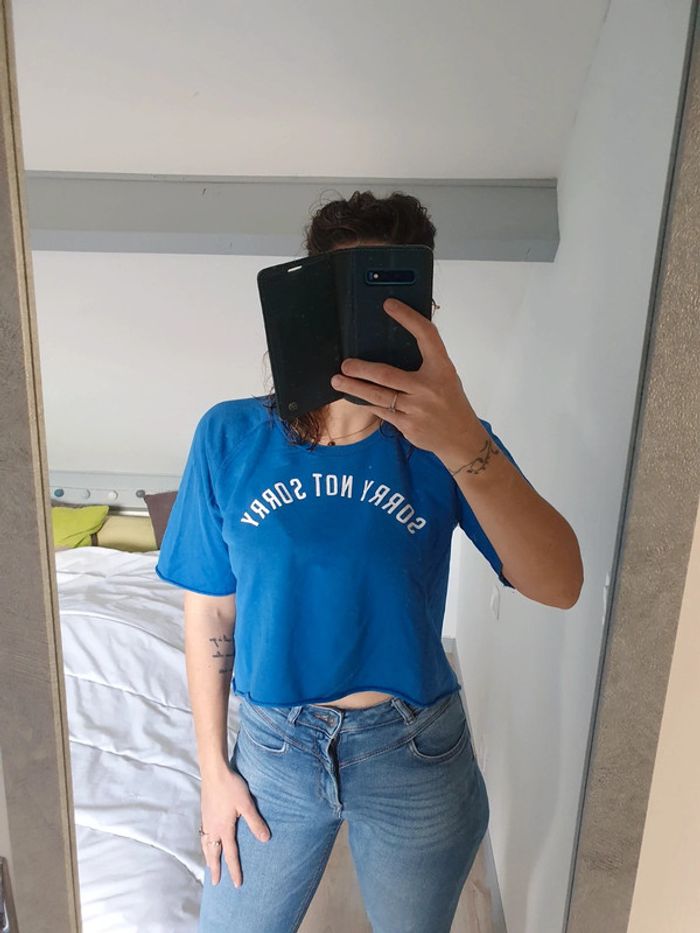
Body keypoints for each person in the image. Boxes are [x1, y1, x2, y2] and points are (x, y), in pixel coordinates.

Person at [155, 190, 582, 932]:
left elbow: (561, 583)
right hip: (274, 751)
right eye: (343, 297)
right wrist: (213, 770)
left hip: (413, 750)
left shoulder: (451, 443)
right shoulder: (230, 435)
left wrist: (462, 441)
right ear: (308, 306)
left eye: (388, 300)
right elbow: (213, 610)